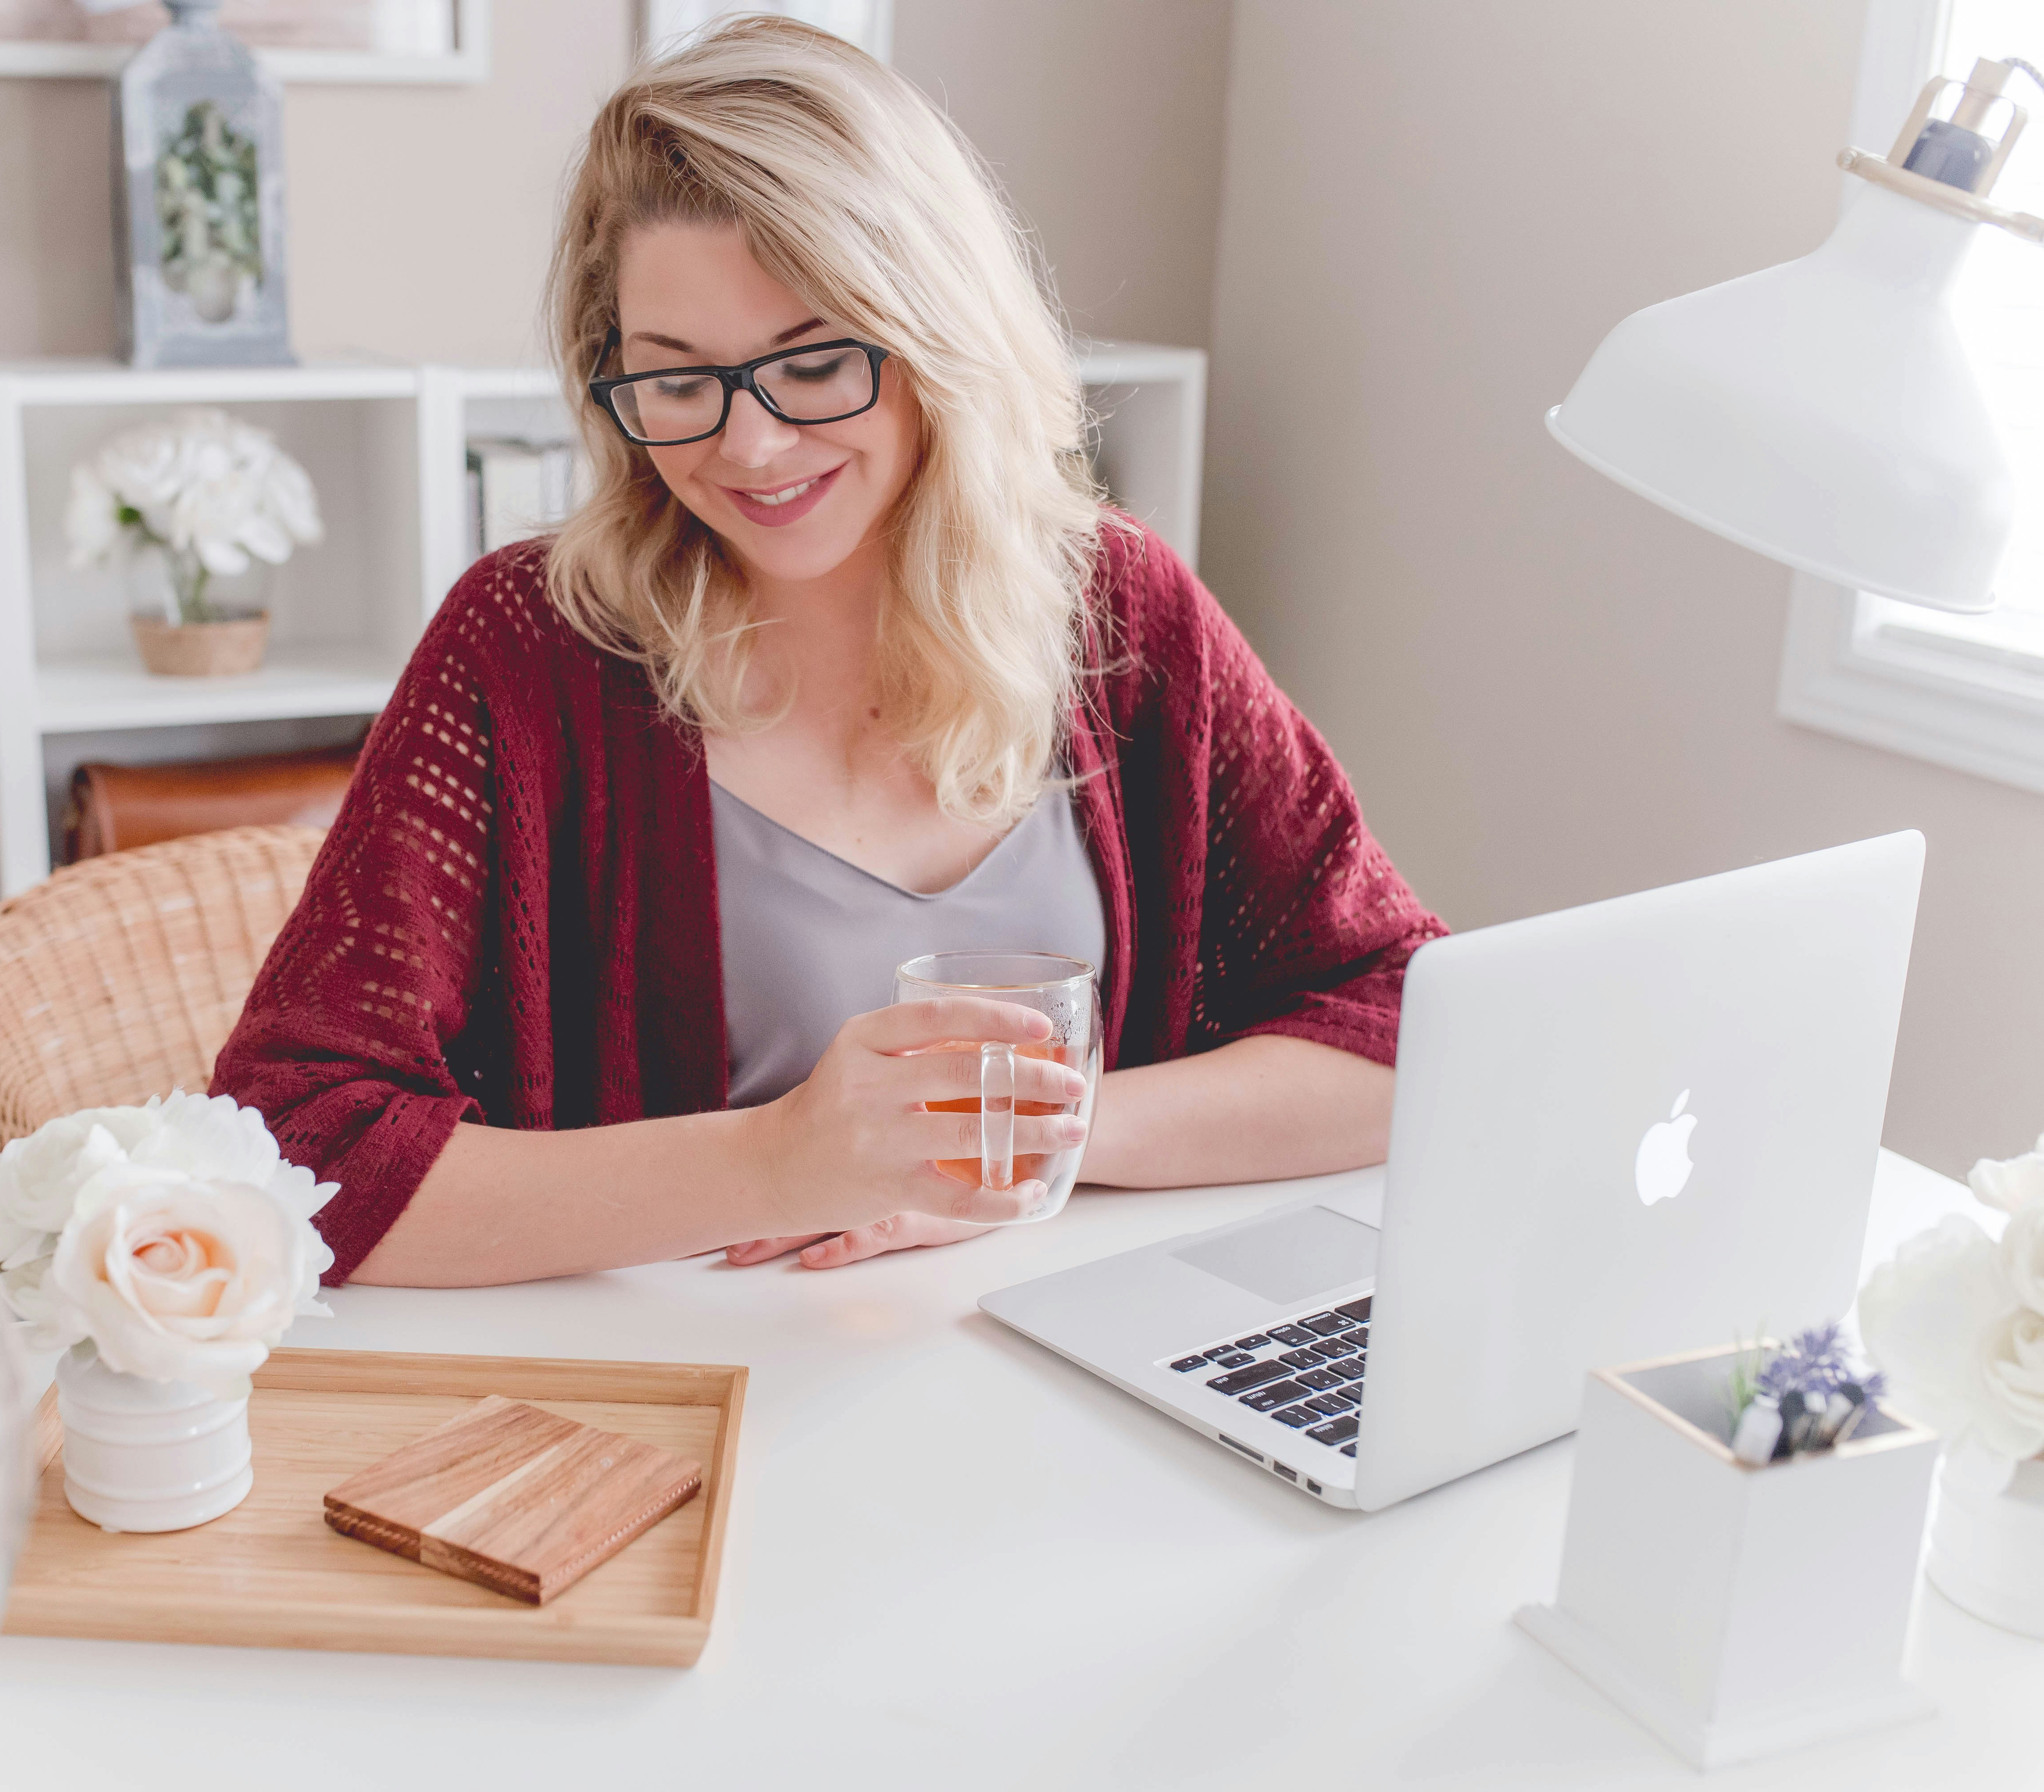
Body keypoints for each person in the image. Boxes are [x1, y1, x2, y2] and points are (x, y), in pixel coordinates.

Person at [212, 18, 1443, 1287]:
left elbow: (1413, 1023)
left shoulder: (1119, 612)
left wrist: (1026, 1145)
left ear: (936, 337)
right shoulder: (527, 653)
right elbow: (291, 1148)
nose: (748, 448)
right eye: (677, 378)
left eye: (813, 362)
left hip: (1055, 1379)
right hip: (686, 1412)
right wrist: (782, 1159)